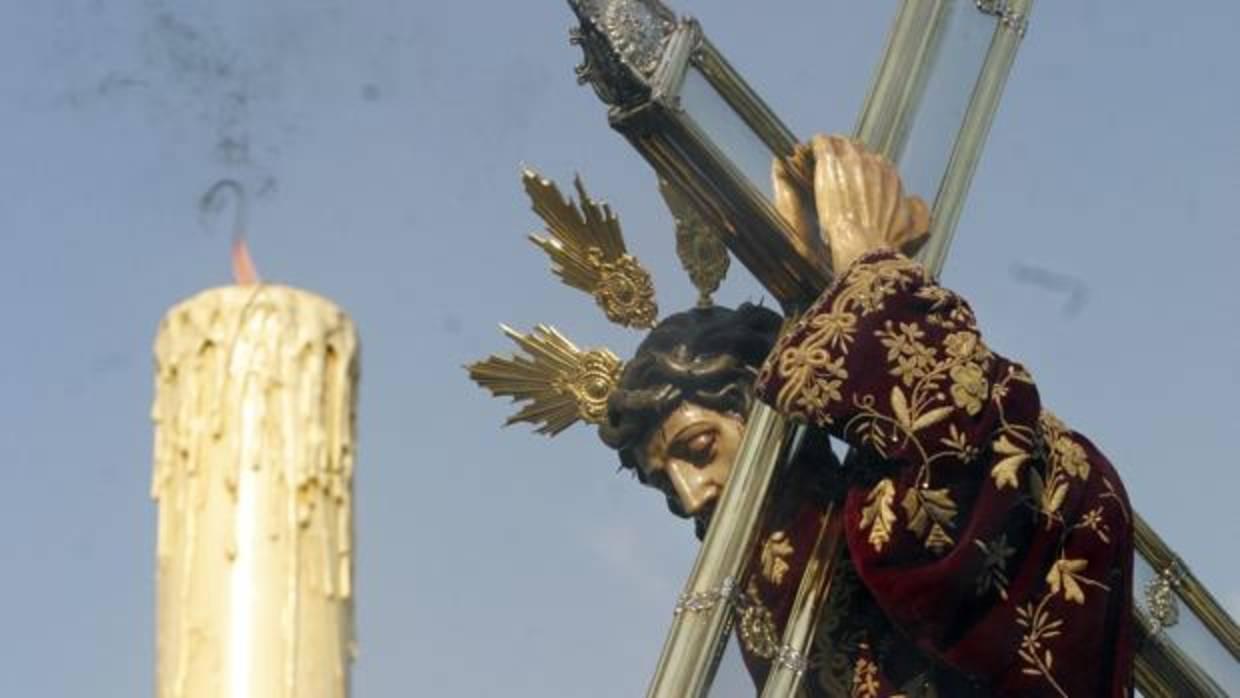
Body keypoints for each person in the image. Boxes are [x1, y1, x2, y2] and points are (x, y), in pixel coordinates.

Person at [599, 136, 1134, 697]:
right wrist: (859, 282)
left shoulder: (878, 534)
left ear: (762, 409)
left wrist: (862, 282)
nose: (691, 497)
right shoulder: (766, 589)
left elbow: (972, 467)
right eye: (664, 485)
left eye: (699, 449)